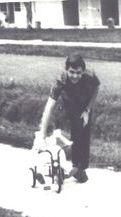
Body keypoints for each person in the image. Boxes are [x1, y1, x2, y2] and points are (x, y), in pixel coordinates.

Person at [39, 54, 100, 183]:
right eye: (72, 72)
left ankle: (80, 168)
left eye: (78, 73)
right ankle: (63, 164)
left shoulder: (90, 76)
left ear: (83, 71)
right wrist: (42, 134)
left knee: (83, 132)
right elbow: (49, 107)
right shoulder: (61, 79)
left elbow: (96, 89)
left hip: (85, 105)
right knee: (66, 131)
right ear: (66, 70)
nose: (75, 76)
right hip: (69, 103)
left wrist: (87, 110)